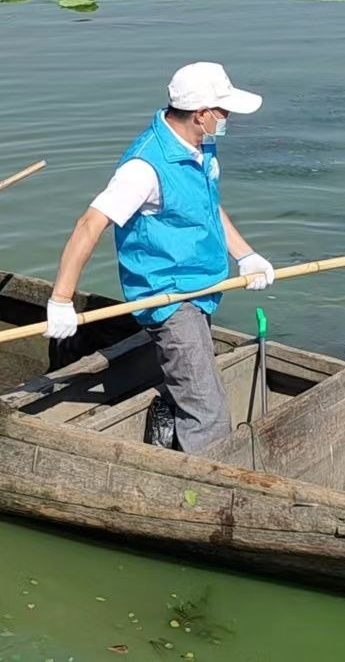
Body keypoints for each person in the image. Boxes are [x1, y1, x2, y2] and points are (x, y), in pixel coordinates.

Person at [44, 62, 277, 454]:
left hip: (201, 285)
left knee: (198, 383)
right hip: (168, 296)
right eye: (223, 111)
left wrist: (246, 254)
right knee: (209, 411)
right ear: (201, 114)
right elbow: (89, 224)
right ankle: (205, 478)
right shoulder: (144, 168)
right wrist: (61, 299)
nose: (228, 118)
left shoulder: (200, 147)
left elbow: (207, 207)